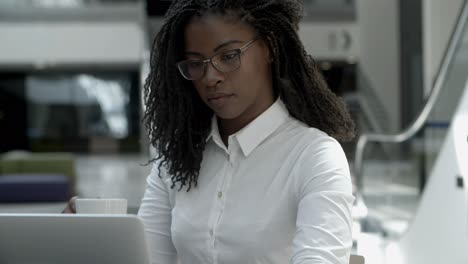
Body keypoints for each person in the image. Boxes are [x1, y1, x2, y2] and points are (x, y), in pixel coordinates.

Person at [65, 0, 356, 263]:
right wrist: (93, 242)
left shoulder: (314, 157)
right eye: (195, 64)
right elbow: (149, 259)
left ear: (270, 46)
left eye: (228, 56)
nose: (210, 77)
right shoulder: (177, 160)